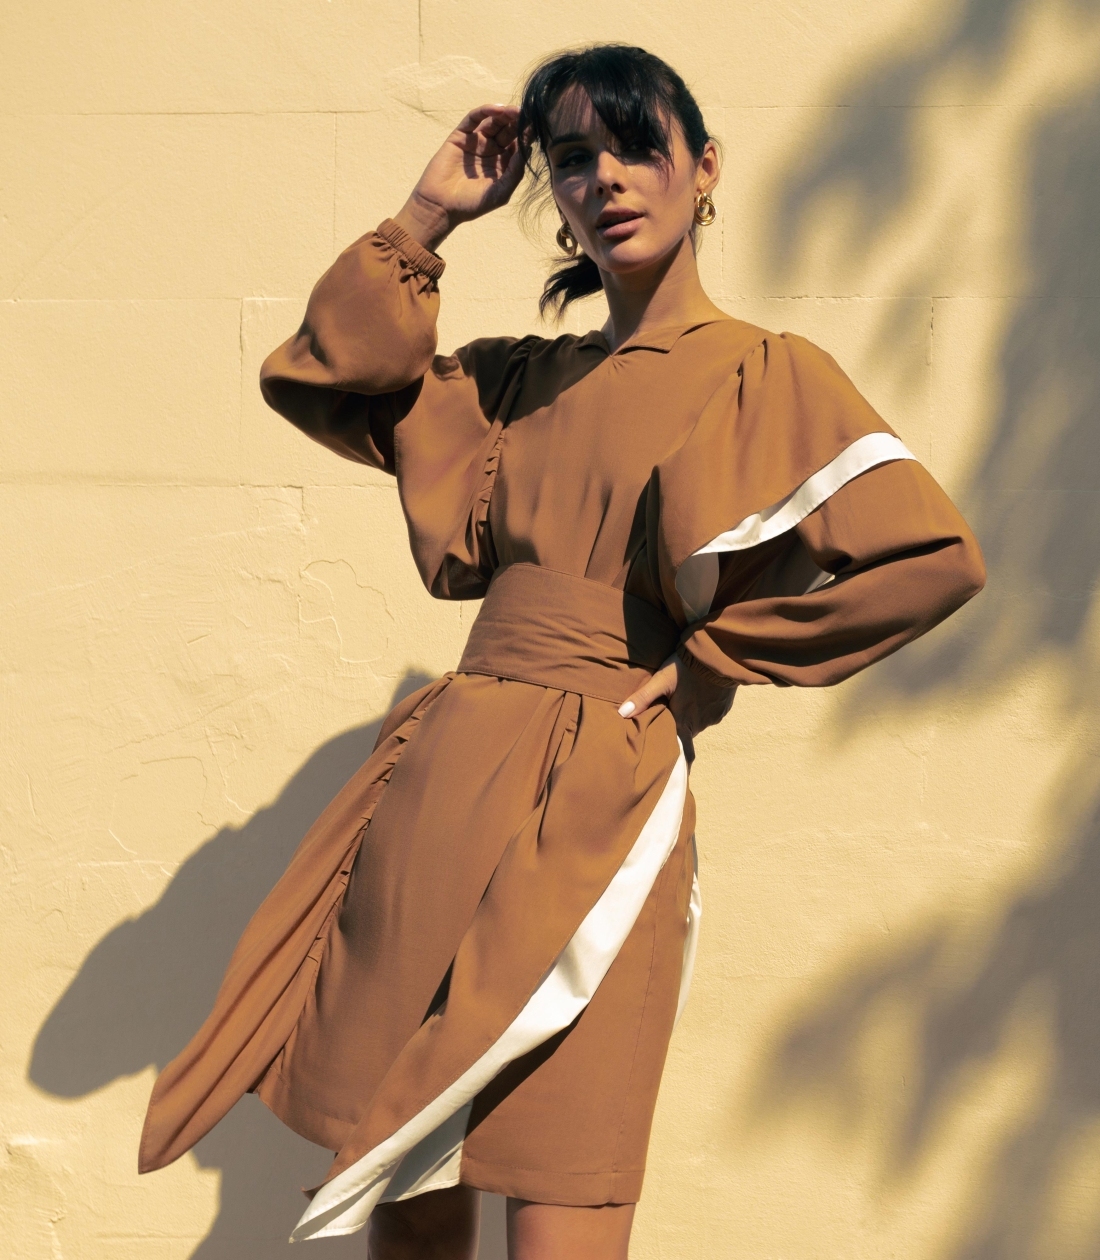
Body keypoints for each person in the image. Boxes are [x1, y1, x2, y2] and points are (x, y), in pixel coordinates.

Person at [137, 43, 985, 1260]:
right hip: (443, 788)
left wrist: (716, 659)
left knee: (567, 1188)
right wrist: (429, 213)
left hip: (606, 791)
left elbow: (931, 558)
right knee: (404, 1190)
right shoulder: (513, 383)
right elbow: (328, 374)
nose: (607, 179)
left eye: (638, 146)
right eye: (575, 159)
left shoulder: (765, 373)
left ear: (704, 167)